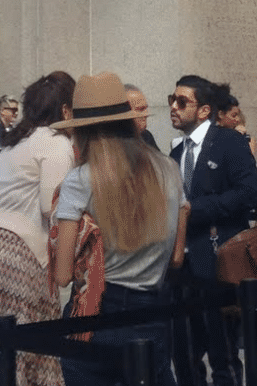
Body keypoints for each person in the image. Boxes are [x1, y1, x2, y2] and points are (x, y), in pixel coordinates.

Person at [52, 73, 187, 386]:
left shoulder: (80, 180)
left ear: (81, 130)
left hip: (95, 311)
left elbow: (62, 275)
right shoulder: (168, 169)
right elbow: (177, 258)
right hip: (151, 309)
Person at [0, 71, 76, 386]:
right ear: (65, 110)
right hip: (14, 255)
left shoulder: (15, 142)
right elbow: (53, 207)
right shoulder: (56, 142)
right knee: (27, 358)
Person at [168, 76, 257, 386]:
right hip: (181, 267)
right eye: (172, 99)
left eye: (182, 101)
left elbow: (249, 193)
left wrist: (196, 209)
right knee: (185, 354)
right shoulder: (176, 153)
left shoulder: (229, 142)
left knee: (224, 353)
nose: (173, 107)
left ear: (204, 110)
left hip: (218, 263)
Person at [125, 84, 159, 151]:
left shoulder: (146, 137)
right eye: (141, 109)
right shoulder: (110, 143)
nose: (146, 114)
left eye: (146, 108)